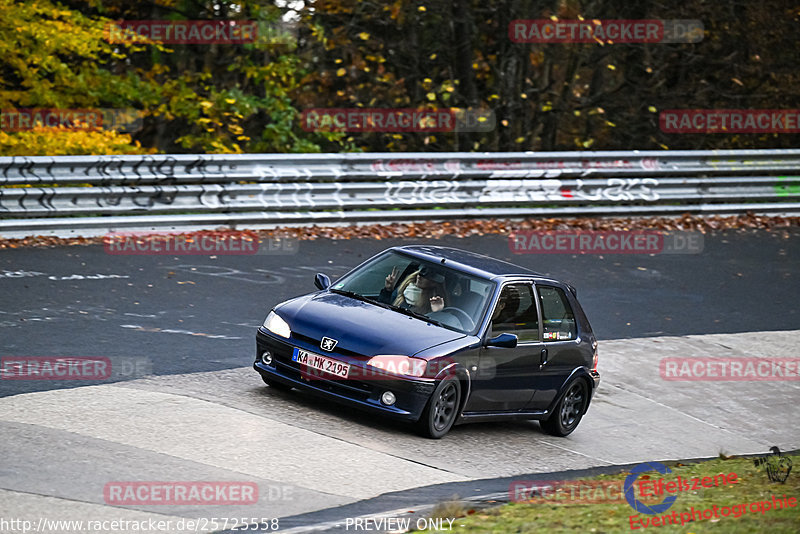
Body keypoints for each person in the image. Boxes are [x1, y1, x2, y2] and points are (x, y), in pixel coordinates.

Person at [379, 265, 446, 315]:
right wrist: (388, 290)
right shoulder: (402, 290)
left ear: (434, 283)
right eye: (420, 273)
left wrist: (437, 313)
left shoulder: (435, 302)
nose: (419, 277)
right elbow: (382, 309)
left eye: (426, 276)